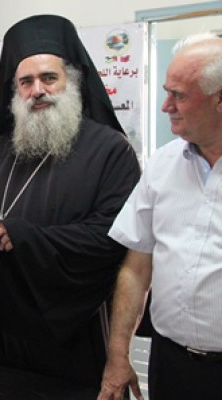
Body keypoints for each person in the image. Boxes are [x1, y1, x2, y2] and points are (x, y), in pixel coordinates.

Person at [0, 15, 141, 388]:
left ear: (71, 81)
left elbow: (113, 239)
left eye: (48, 78)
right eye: (26, 82)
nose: (37, 90)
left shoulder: (110, 150)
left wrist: (25, 236)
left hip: (69, 333)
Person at [98, 33, 222, 400]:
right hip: (171, 365)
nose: (166, 106)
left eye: (179, 96)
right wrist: (118, 355)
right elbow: (137, 267)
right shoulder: (162, 165)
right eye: (167, 92)